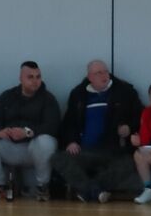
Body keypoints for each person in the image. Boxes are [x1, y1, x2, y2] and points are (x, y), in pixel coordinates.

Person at [52, 59, 143, 203]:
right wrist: (71, 141)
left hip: (115, 151)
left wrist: (129, 128)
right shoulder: (78, 95)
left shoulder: (126, 92)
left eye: (105, 72)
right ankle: (95, 192)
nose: (104, 75)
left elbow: (141, 117)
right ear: (90, 77)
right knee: (58, 158)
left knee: (131, 162)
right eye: (98, 73)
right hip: (85, 151)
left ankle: (88, 191)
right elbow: (69, 123)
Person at [0, 61, 60, 202]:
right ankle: (0, 185)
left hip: (34, 149)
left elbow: (52, 126)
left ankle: (42, 187)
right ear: (20, 78)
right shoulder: (7, 96)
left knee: (45, 141)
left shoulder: (48, 99)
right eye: (30, 77)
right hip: (10, 147)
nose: (35, 81)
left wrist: (27, 132)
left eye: (38, 77)